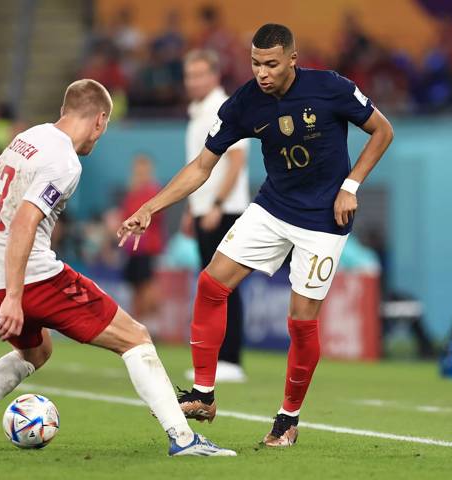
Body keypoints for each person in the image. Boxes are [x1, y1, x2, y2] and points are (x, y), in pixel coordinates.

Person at [118, 24, 394, 447]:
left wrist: (350, 186)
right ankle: (205, 394)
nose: (262, 72)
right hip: (272, 208)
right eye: (255, 63)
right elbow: (200, 166)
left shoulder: (330, 88)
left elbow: (382, 131)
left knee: (301, 322)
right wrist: (150, 207)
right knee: (211, 283)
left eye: (271, 64)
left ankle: (288, 420)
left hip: (323, 221)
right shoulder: (245, 102)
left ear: (292, 60)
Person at [0, 79, 234, 457]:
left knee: (37, 352)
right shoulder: (64, 161)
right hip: (29, 280)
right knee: (136, 337)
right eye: (104, 127)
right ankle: (183, 438)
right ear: (99, 120)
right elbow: (26, 221)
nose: (101, 136)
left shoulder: (28, 137)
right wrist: (15, 296)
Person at [183, 49, 250, 383]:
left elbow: (237, 160)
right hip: (206, 210)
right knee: (211, 285)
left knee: (223, 286)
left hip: (224, 212)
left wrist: (217, 205)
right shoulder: (198, 111)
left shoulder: (221, 108)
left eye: (199, 75)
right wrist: (191, 207)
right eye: (189, 75)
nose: (192, 81)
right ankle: (217, 358)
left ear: (214, 76)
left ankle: (230, 359)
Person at [120, 155, 164, 319]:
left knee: (147, 286)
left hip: (148, 247)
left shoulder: (153, 191)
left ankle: (150, 322)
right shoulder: (132, 192)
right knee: (136, 287)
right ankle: (138, 321)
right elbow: (125, 217)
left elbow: (153, 217)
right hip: (132, 249)